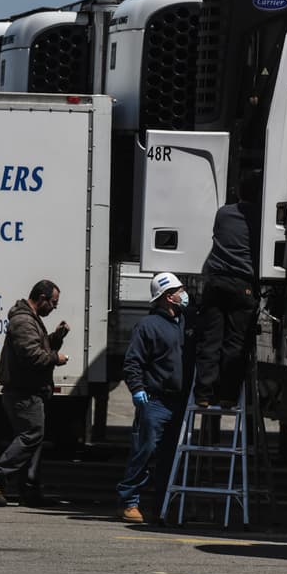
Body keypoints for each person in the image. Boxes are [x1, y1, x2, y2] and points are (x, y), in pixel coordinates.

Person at [116, 271, 190, 523]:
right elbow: (132, 362)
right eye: (180, 291)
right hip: (155, 400)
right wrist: (137, 389)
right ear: (168, 297)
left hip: (178, 402)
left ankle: (162, 505)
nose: (184, 294)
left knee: (171, 455)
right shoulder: (148, 326)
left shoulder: (184, 322)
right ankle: (130, 501)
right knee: (145, 451)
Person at [0, 279, 69, 507]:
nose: (54, 308)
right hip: (24, 392)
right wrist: (56, 358)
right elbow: (32, 356)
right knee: (32, 435)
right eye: (53, 303)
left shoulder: (30, 319)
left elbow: (37, 348)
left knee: (32, 440)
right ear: (42, 298)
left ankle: (29, 490)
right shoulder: (23, 321)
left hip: (30, 391)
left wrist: (56, 338)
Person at [193, 172, 261, 407]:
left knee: (210, 339)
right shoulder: (260, 217)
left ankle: (203, 394)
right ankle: (227, 395)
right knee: (235, 343)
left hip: (216, 281)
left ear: (239, 192)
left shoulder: (223, 213)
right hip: (242, 284)